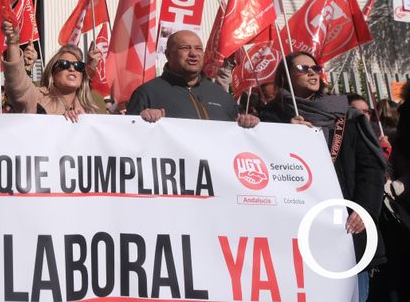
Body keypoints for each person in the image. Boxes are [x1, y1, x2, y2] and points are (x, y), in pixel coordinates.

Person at [258, 51, 386, 301]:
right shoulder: (270, 117)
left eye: (315, 68)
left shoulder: (347, 116)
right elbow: (262, 167)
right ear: (285, 77)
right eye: (303, 69)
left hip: (346, 229)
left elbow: (371, 169)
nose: (312, 73)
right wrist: (283, 133)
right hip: (297, 232)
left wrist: (364, 210)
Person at [128, 30, 259, 128]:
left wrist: (249, 124)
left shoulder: (222, 96)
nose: (193, 54)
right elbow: (126, 139)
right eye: (185, 48)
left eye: (198, 48)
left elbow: (239, 140)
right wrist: (142, 120)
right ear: (168, 54)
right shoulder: (146, 93)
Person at [1, 20, 104, 120]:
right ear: (52, 75)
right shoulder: (38, 99)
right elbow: (18, 85)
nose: (72, 68)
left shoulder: (92, 107)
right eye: (64, 64)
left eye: (78, 65)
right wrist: (13, 43)